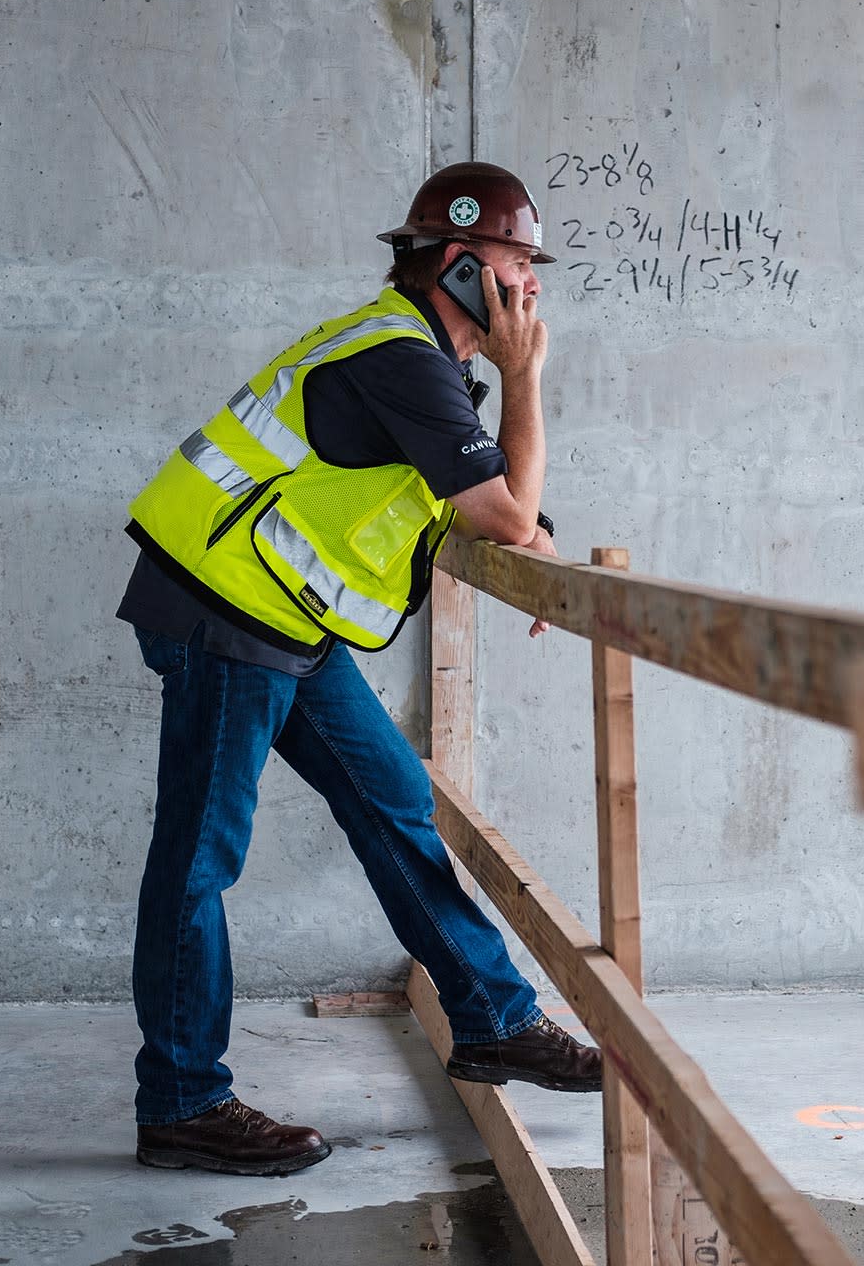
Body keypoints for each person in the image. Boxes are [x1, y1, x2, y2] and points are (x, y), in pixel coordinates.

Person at [115, 162, 597, 1177]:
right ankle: (182, 1100)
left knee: (393, 802)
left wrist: (528, 527)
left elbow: (472, 500)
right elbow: (500, 504)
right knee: (200, 858)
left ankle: (493, 1016)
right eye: (518, 264)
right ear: (463, 267)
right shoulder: (403, 359)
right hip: (225, 610)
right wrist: (526, 380)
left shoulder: (415, 361)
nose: (534, 287)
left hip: (279, 619)